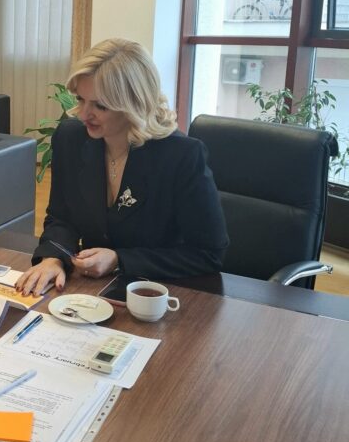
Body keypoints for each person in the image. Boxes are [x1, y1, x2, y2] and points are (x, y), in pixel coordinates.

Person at [16, 38, 228, 296]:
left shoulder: (181, 156)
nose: (83, 114)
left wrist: (120, 260)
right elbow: (62, 218)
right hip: (91, 292)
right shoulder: (71, 138)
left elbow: (208, 254)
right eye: (81, 99)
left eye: (100, 106)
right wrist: (54, 257)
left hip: (159, 294)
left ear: (133, 104)